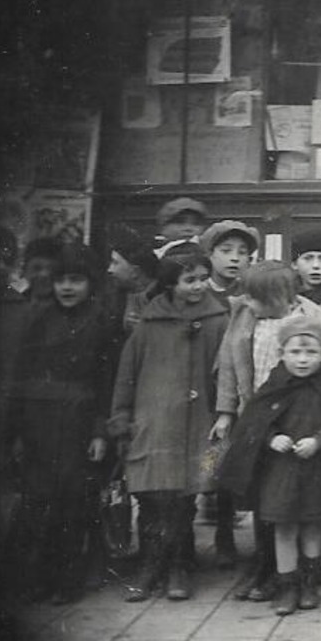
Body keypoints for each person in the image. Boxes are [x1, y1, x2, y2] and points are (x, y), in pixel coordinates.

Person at [216, 314, 321, 616]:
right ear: (282, 354)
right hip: (281, 474)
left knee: (314, 526)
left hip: (318, 472)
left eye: (311, 352)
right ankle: (287, 584)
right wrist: (271, 438)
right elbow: (254, 423)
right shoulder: (274, 385)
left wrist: (320, 440)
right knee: (284, 527)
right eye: (295, 352)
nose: (303, 360)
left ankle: (308, 582)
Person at [108, 249, 230, 602]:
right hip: (153, 425)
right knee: (151, 497)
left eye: (202, 278)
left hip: (200, 430)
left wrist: (224, 412)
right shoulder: (149, 323)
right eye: (189, 279)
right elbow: (126, 375)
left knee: (186, 498)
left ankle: (179, 566)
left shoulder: (218, 319)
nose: (198, 285)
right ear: (170, 283)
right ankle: (150, 567)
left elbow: (227, 373)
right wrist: (121, 417)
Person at [212, 261, 321, 592]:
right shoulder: (243, 316)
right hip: (257, 419)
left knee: (300, 497)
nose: (247, 302)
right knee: (261, 493)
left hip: (299, 419)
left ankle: (303, 571)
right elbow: (228, 364)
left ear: (278, 296)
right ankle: (265, 563)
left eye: (254, 298)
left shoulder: (312, 321)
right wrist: (226, 412)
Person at [4, 242, 118, 604]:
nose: (67, 288)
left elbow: (107, 381)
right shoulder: (37, 320)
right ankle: (36, 579)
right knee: (37, 504)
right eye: (60, 281)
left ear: (91, 284)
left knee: (72, 503)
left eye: (76, 280)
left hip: (79, 424)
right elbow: (20, 378)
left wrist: (101, 431)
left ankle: (68, 581)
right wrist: (16, 432)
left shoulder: (102, 323)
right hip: (38, 423)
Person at [199, 219, 261, 300]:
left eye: (242, 252)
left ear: (249, 259)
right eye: (226, 250)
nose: (235, 258)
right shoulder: (197, 291)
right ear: (209, 254)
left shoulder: (254, 294)